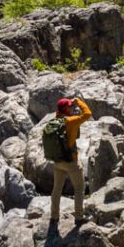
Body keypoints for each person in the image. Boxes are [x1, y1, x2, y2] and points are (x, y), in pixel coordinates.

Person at [51, 96, 91, 226]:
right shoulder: (71, 121)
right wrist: (78, 102)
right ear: (66, 109)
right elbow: (88, 114)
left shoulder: (55, 121)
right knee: (79, 188)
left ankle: (54, 216)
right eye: (70, 106)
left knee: (57, 189)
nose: (72, 107)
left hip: (57, 161)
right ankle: (79, 217)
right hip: (71, 162)